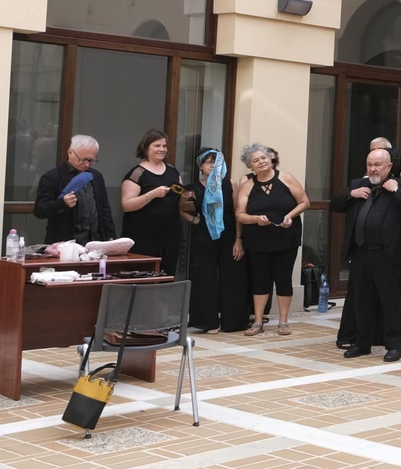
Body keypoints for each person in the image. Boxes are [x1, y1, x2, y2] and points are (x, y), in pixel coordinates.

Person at [330, 148, 401, 361]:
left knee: (391, 302)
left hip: (388, 255)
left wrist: (396, 190)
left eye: (377, 164)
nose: (372, 168)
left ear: (389, 166)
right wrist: (350, 195)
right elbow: (335, 205)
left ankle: (394, 345)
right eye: (370, 164)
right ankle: (362, 343)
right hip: (361, 253)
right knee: (362, 300)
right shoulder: (357, 185)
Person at [234, 143, 310, 336]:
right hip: (258, 240)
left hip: (286, 238)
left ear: (270, 159)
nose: (261, 162)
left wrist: (289, 216)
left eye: (263, 158)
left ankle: (283, 322)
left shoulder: (285, 178)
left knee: (284, 279)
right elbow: (240, 214)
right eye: (256, 160)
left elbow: (304, 202)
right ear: (250, 166)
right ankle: (258, 322)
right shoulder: (248, 186)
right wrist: (255, 220)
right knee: (260, 279)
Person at [185, 147, 246, 333]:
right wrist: (193, 219)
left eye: (216, 161)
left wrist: (238, 239)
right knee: (205, 277)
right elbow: (179, 207)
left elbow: (238, 212)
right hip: (204, 235)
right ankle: (207, 321)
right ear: (200, 166)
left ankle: (233, 321)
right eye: (208, 162)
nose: (212, 165)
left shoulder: (230, 184)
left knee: (232, 276)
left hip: (228, 235)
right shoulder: (193, 188)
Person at [120, 129, 185, 274]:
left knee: (167, 273)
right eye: (157, 146)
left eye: (164, 146)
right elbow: (127, 205)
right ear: (146, 147)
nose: (162, 149)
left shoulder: (173, 172)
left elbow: (177, 203)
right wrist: (152, 194)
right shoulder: (137, 173)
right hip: (143, 234)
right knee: (144, 274)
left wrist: (184, 197)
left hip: (170, 233)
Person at [34, 134, 115, 245]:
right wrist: (62, 203)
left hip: (95, 242)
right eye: (83, 159)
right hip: (66, 244)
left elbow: (104, 208)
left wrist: (110, 235)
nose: (87, 164)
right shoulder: (52, 177)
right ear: (70, 152)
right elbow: (40, 210)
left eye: (92, 160)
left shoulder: (96, 176)